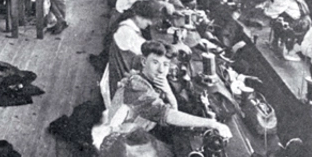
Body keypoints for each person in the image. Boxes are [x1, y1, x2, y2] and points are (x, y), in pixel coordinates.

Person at [96, 41, 232, 145]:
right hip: (121, 141)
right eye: (155, 62)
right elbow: (168, 115)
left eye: (166, 64)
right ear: (144, 61)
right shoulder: (137, 86)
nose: (161, 70)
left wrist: (169, 93)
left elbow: (171, 111)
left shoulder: (147, 79)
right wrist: (212, 123)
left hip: (138, 131)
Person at [103, 0, 165, 105]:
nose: (149, 23)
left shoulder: (129, 26)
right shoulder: (126, 31)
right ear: (137, 16)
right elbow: (147, 50)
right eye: (147, 19)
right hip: (120, 81)